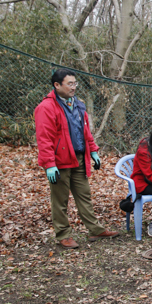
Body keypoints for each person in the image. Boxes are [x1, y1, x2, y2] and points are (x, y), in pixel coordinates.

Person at [35, 69, 119, 249]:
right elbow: (44, 139)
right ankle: (63, 235)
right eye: (70, 84)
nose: (74, 87)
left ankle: (95, 230)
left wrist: (94, 151)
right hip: (59, 162)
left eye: (75, 83)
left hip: (79, 158)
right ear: (57, 85)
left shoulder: (78, 105)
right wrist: (49, 164)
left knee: (84, 195)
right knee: (60, 200)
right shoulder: (46, 108)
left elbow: (85, 131)